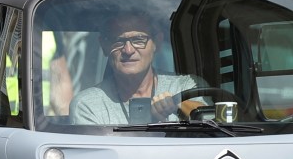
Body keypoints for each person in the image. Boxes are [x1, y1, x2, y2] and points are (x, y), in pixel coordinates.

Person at [70, 10, 204, 125]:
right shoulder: (87, 105)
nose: (128, 50)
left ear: (157, 43)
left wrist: (178, 104)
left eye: (139, 40)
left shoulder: (184, 87)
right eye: (118, 41)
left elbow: (213, 119)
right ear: (104, 46)